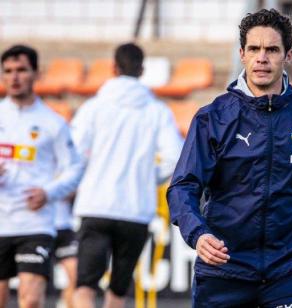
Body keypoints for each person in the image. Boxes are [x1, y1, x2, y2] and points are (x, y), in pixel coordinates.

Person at [168, 8, 292, 308]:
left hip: (290, 270)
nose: (262, 57)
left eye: (272, 49)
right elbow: (182, 187)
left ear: (288, 56)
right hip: (225, 270)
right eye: (255, 49)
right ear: (242, 54)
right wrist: (198, 234)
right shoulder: (213, 118)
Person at [70, 42, 182, 308]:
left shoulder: (93, 108)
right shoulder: (157, 111)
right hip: (135, 210)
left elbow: (73, 153)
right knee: (119, 290)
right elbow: (174, 157)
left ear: (114, 67)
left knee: (85, 287)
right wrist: (148, 178)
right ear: (142, 69)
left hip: (96, 205)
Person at [0, 45, 83, 308]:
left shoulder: (53, 123)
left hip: (35, 224)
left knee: (31, 300)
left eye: (22, 70)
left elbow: (75, 168)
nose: (14, 77)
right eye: (8, 71)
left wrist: (49, 192)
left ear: (36, 74)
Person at [53, 196, 78, 308]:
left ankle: (65, 304)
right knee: (32, 283)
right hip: (35, 229)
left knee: (76, 274)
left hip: (65, 227)